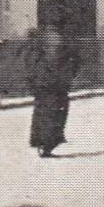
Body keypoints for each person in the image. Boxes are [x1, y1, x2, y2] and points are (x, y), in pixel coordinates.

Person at [24, 18, 81, 157]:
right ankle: (48, 144)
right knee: (57, 113)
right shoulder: (64, 40)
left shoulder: (39, 38)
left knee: (41, 111)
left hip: (41, 83)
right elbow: (76, 61)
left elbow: (29, 59)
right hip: (57, 84)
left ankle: (39, 142)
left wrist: (33, 79)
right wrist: (69, 77)